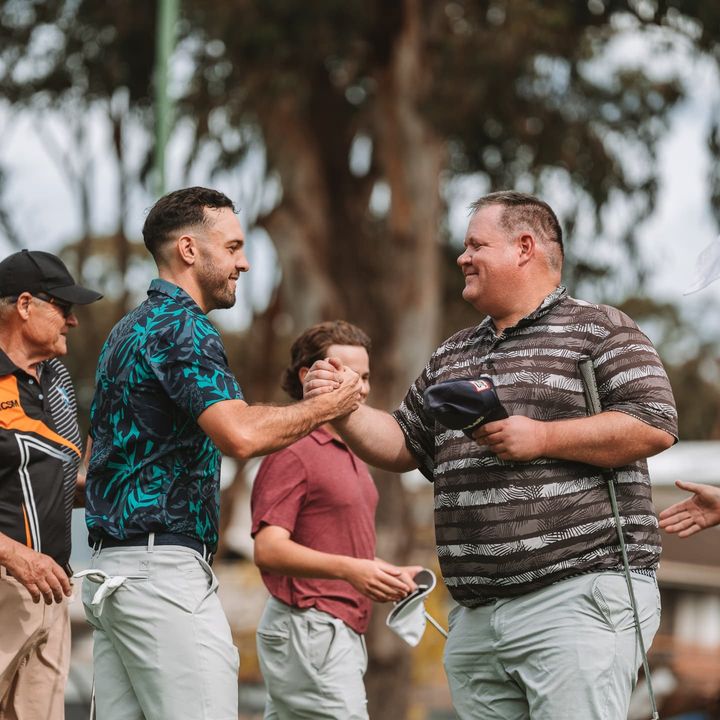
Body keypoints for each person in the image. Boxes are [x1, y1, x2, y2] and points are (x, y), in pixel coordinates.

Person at [303, 191, 678, 720]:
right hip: (477, 617)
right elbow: (404, 442)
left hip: (576, 598)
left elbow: (655, 424)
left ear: (524, 248)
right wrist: (342, 407)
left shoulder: (602, 329)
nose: (462, 257)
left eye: (476, 244)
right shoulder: (453, 352)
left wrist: (544, 438)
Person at [81, 187, 362, 720]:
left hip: (112, 574)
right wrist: (327, 405)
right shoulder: (183, 327)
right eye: (233, 247)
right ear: (190, 249)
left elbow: (95, 464)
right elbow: (239, 435)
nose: (245, 262)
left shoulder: (124, 332)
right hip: (159, 574)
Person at [251, 320, 420, 720]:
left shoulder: (349, 452)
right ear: (308, 376)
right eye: (347, 375)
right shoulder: (293, 450)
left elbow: (334, 548)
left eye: (365, 377)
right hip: (310, 628)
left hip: (333, 631)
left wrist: (381, 572)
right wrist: (351, 570)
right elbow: (268, 548)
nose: (360, 389)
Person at [0, 249, 102, 720]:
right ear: (24, 305)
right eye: (64, 307)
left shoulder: (56, 379)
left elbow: (58, 474)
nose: (73, 322)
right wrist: (14, 554)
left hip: (51, 591)